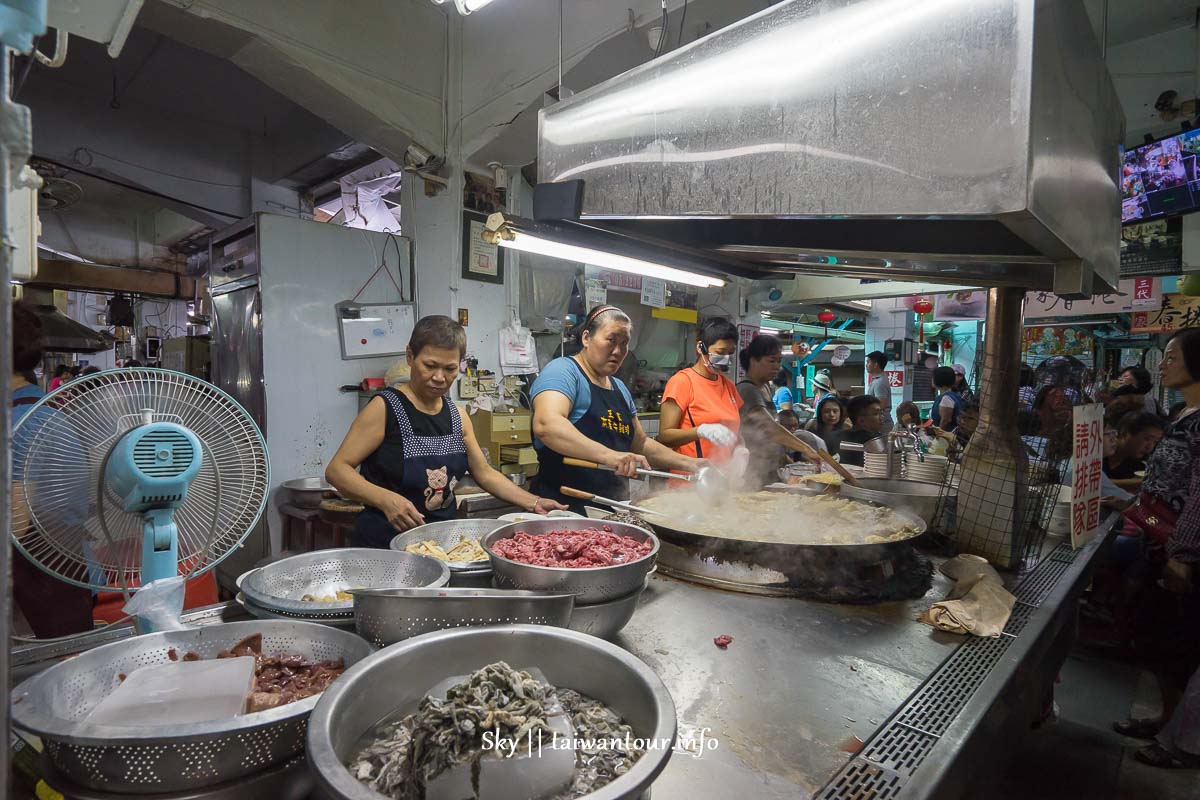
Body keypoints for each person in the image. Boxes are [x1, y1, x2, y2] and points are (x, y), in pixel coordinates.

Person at [327, 315, 567, 546]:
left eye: (450, 369)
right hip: (385, 543)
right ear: (410, 356)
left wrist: (533, 501)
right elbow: (337, 470)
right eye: (429, 366)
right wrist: (386, 500)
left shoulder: (457, 416)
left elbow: (484, 473)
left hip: (441, 543)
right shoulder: (385, 408)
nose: (439, 377)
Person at [1111, 328, 1200, 765]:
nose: (1162, 365)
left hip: (1183, 553)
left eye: (1171, 356)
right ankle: (1168, 719)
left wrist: (1182, 557)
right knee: (1157, 639)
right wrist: (1129, 503)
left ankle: (1183, 743)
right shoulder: (1184, 412)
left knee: (1178, 644)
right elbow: (1163, 483)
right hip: (1156, 540)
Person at [530, 305, 701, 513]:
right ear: (586, 338)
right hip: (562, 511)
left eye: (624, 343)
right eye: (611, 340)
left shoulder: (619, 388)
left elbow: (641, 444)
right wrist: (610, 456)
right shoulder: (563, 372)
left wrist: (691, 464)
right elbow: (547, 425)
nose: (618, 351)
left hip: (611, 510)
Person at [10, 302, 95, 637]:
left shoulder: (23, 424)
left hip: (43, 579)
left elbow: (16, 524)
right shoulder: (44, 412)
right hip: (65, 567)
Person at [736, 334, 829, 487]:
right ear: (753, 361)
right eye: (771, 361)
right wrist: (806, 448)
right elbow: (769, 428)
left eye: (779, 361)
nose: (777, 366)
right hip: (753, 473)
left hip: (770, 471)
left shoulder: (765, 387)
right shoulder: (747, 390)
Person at [658, 318, 743, 469]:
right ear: (700, 347)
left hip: (724, 480)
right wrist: (701, 431)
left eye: (731, 353)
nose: (726, 359)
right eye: (720, 352)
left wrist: (741, 451)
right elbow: (665, 437)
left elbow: (735, 431)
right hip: (690, 481)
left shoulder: (728, 386)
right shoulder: (682, 382)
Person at [1105, 412, 1167, 490]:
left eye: (1155, 442)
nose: (1150, 447)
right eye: (1147, 439)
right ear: (1126, 432)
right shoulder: (1101, 451)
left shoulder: (1142, 464)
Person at [838, 395, 884, 467]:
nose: (881, 418)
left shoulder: (834, 436)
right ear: (861, 420)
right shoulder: (877, 441)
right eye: (876, 414)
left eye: (881, 413)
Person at [865, 350, 893, 432]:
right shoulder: (877, 379)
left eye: (868, 362)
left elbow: (881, 404)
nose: (866, 365)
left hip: (882, 425)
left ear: (875, 365)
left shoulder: (880, 382)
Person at [932, 366, 962, 431]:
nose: (932, 379)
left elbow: (945, 421)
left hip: (946, 436)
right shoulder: (954, 395)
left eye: (933, 377)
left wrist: (939, 437)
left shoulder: (946, 398)